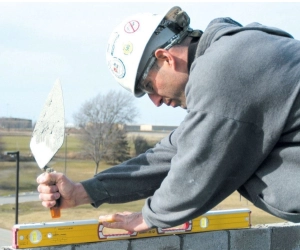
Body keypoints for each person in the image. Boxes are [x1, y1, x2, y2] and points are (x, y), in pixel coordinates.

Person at [37, 6, 300, 233]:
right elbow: (174, 152)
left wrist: (147, 217)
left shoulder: (222, 71)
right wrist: (83, 192)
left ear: (165, 57)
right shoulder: (231, 55)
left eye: (150, 87)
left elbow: (197, 167)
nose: (156, 101)